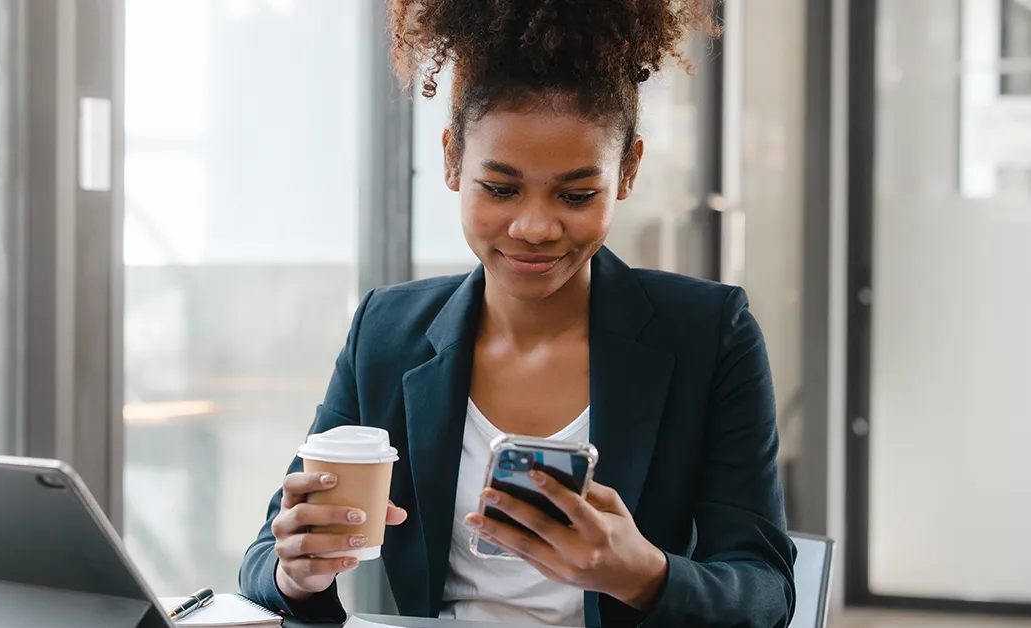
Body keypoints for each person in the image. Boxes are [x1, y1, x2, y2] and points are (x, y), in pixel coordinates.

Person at [238, 0, 796, 625]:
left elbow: (767, 592)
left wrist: (641, 573)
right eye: (500, 189)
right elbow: (266, 556)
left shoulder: (709, 333)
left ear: (629, 170)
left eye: (577, 194)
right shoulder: (387, 332)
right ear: (452, 159)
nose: (534, 227)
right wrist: (297, 571)